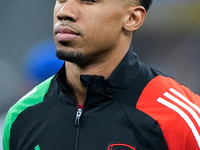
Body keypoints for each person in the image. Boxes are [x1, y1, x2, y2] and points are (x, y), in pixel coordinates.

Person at [2, 0, 200, 149]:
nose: (64, 12)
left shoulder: (181, 120)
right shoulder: (22, 115)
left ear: (132, 18)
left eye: (88, 0)